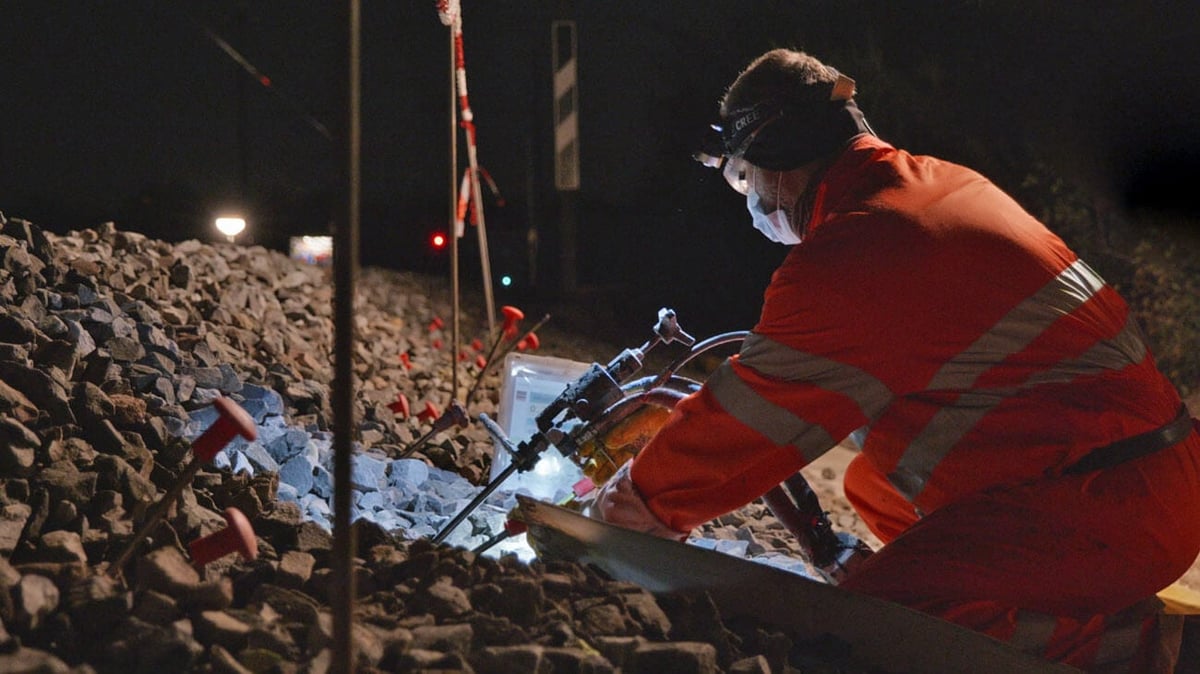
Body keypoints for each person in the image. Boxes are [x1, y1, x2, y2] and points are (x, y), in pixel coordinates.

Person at [590, 48, 1200, 671]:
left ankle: (1152, 654)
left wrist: (631, 506)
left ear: (777, 158)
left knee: (879, 625)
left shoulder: (863, 247)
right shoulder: (932, 188)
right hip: (1147, 476)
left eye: (744, 177)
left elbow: (753, 418)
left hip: (1117, 502)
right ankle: (1061, 598)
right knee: (874, 482)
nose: (750, 199)